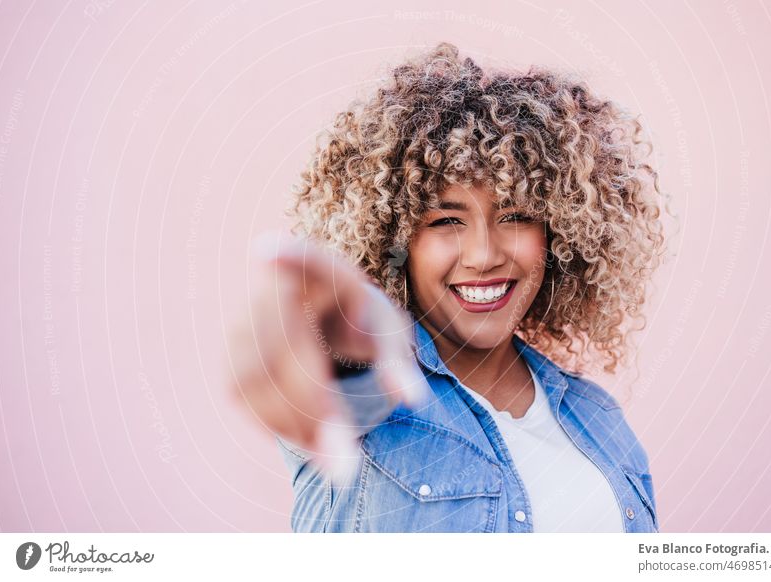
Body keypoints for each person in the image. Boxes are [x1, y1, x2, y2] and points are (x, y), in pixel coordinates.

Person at [230, 42, 668, 533]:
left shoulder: (601, 421)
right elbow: (324, 379)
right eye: (445, 221)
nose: (484, 255)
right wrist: (328, 337)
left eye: (517, 215)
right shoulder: (376, 398)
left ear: (559, 234)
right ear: (396, 241)